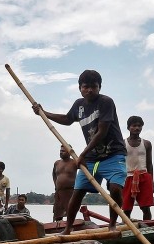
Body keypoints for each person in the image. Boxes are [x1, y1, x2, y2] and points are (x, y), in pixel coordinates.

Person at [33, 69, 127, 234]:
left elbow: (102, 132)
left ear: (99, 87)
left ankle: (112, 224)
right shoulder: (79, 105)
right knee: (77, 192)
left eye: (93, 86)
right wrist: (43, 113)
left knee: (115, 189)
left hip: (113, 154)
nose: (89, 90)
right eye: (86, 87)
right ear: (80, 88)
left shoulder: (106, 102)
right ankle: (68, 228)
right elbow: (68, 119)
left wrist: (82, 154)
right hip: (92, 158)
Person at [122, 115, 154, 222]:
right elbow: (120, 162)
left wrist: (152, 182)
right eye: (134, 125)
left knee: (145, 208)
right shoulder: (122, 143)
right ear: (128, 127)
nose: (137, 128)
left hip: (144, 177)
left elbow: (149, 164)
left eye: (139, 126)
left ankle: (148, 228)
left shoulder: (146, 144)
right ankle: (126, 227)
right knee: (126, 208)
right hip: (127, 177)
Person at [51, 145, 78, 223]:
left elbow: (84, 168)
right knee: (57, 212)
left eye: (63, 151)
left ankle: (70, 226)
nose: (61, 152)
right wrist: (55, 185)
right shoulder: (57, 163)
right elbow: (53, 174)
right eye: (60, 151)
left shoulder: (74, 162)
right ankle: (57, 226)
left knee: (70, 210)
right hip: (59, 191)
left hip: (70, 191)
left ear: (69, 152)